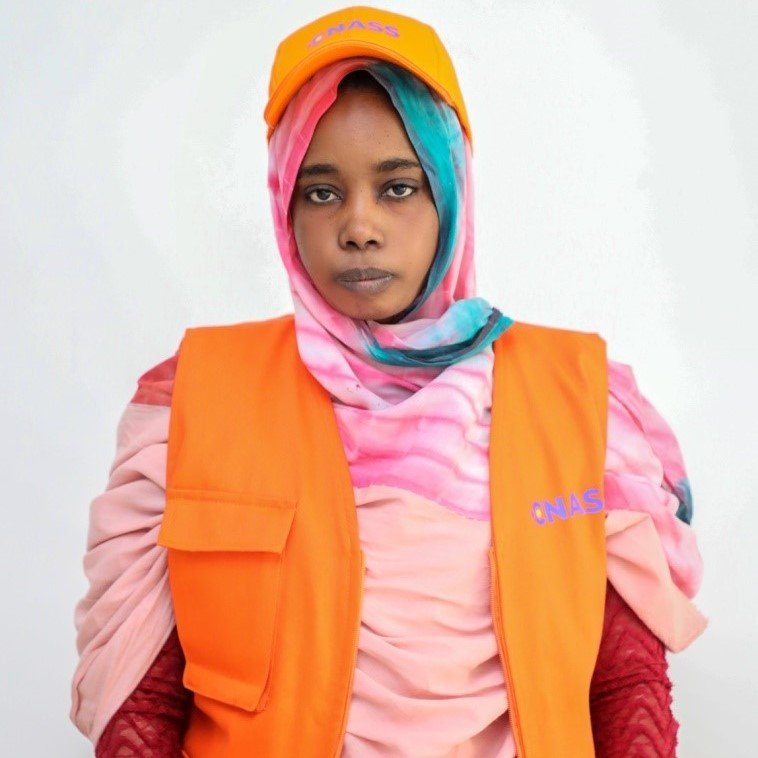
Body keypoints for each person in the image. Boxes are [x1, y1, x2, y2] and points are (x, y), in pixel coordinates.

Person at [70, 5, 708, 756]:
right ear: (283, 205)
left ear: (451, 193)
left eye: (399, 187)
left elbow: (625, 687)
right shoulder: (194, 403)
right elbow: (142, 703)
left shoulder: (580, 402)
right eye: (322, 191)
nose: (359, 227)